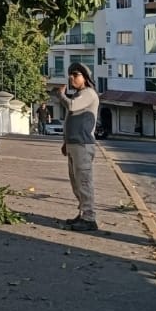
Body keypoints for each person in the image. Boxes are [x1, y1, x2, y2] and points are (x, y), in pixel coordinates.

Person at [56, 62, 100, 231]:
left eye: (75, 75)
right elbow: (69, 119)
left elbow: (72, 107)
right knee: (76, 182)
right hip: (73, 143)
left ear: (85, 77)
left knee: (84, 181)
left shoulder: (88, 93)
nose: (71, 78)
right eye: (70, 75)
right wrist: (65, 141)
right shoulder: (77, 95)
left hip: (83, 144)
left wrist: (61, 95)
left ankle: (89, 218)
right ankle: (83, 213)